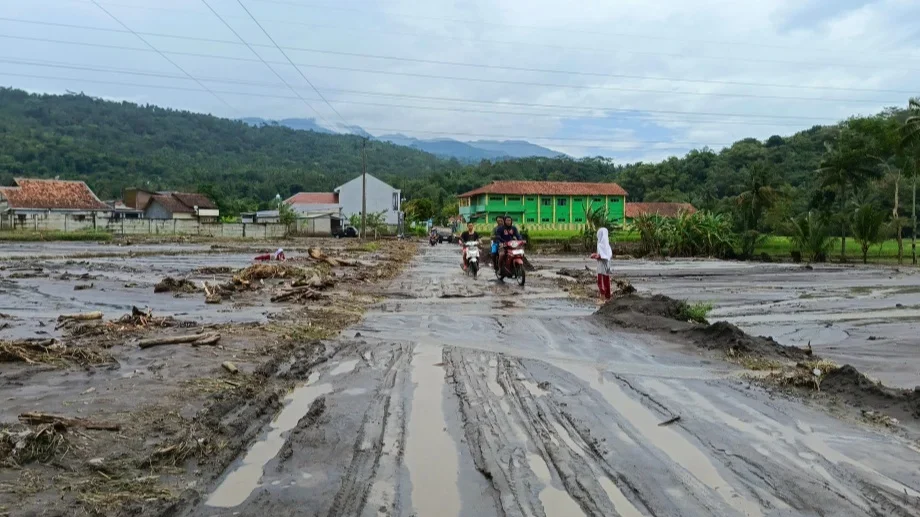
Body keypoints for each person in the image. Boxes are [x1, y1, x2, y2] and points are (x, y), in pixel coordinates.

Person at [591, 228, 613, 300]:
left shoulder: (600, 245)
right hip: (607, 266)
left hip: (601, 267)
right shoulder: (607, 245)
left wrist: (596, 256)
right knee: (607, 281)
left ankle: (602, 297)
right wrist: (597, 255)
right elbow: (608, 255)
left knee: (601, 282)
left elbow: (601, 255)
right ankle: (607, 297)